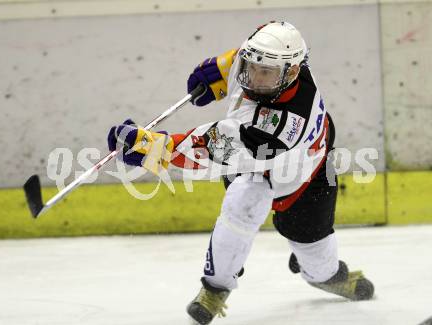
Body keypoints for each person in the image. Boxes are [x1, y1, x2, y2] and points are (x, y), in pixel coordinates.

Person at [107, 21, 374, 325]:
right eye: (250, 67)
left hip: (305, 179)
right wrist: (220, 71)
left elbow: (208, 150)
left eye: (265, 74)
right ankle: (215, 289)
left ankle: (326, 275)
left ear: (292, 73)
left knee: (316, 258)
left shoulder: (283, 125)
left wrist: (151, 149)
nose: (253, 78)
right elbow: (246, 53)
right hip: (253, 170)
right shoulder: (272, 61)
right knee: (242, 204)